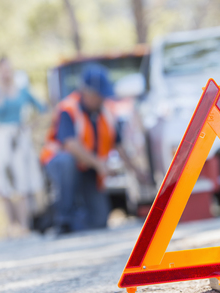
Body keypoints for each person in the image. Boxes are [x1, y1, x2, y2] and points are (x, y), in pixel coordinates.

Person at [41, 64, 144, 235]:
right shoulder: (68, 108)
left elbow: (118, 144)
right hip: (61, 165)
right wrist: (99, 164)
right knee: (67, 162)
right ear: (86, 92)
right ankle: (63, 219)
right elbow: (70, 144)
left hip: (88, 170)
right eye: (99, 95)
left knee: (99, 220)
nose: (103, 98)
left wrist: (136, 171)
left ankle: (79, 224)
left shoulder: (107, 111)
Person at [0, 57, 46, 236]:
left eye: (8, 69)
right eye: (2, 70)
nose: (6, 73)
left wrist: (32, 126)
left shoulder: (22, 90)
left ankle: (25, 224)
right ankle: (12, 224)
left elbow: (41, 108)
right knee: (3, 181)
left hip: (20, 136)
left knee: (22, 179)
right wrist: (1, 90)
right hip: (1, 138)